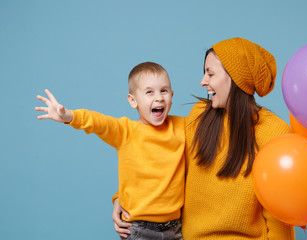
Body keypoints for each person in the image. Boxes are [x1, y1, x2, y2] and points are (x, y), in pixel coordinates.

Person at [112, 38, 296, 239]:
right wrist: (122, 198)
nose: (203, 81)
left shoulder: (274, 132)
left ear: (235, 77)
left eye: (210, 73)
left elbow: (278, 212)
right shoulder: (199, 115)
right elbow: (161, 159)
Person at [35, 62, 185, 240]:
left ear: (172, 95)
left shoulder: (181, 127)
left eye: (164, 91)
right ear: (133, 100)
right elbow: (99, 122)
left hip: (175, 228)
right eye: (149, 92)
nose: (159, 97)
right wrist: (69, 116)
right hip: (138, 228)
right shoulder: (125, 131)